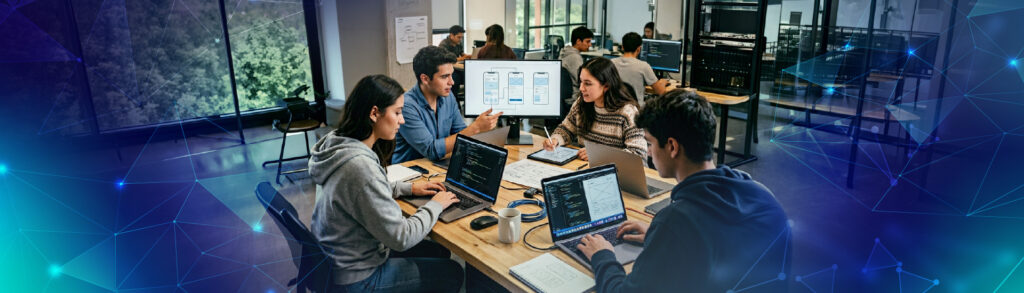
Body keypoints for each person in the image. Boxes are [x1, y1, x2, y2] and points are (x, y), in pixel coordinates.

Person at [575, 90, 791, 292]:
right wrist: (656, 235)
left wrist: (602, 256)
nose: (648, 153)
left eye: (650, 143)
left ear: (672, 147)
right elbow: (721, 244)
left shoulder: (677, 222)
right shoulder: (763, 195)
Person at [309, 75, 465, 292]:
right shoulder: (359, 167)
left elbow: (359, 191)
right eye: (398, 112)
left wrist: (408, 188)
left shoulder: (339, 144)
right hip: (359, 277)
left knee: (438, 252)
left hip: (339, 260)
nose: (402, 120)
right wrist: (436, 205)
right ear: (374, 113)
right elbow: (401, 237)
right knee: (452, 272)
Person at [393, 46, 502, 163]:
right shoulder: (406, 106)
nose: (452, 82)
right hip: (412, 172)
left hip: (437, 165)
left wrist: (480, 130)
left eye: (451, 75)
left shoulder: (447, 97)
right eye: (445, 76)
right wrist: (475, 128)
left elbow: (460, 131)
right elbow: (431, 150)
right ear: (425, 79)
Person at [543, 57, 646, 161]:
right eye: (581, 82)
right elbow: (566, 129)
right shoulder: (581, 103)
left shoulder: (627, 112)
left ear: (606, 86)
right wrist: (556, 140)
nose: (581, 88)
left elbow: (638, 154)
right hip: (585, 166)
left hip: (615, 171)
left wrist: (599, 154)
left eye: (587, 83)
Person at [612, 32, 669, 107]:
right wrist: (663, 82)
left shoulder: (611, 63)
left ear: (622, 47)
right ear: (639, 49)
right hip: (635, 112)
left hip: (614, 109)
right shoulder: (643, 66)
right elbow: (661, 92)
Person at [560, 26, 594, 90]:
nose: (590, 45)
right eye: (587, 41)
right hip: (575, 95)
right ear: (578, 41)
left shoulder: (565, 52)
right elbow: (582, 80)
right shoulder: (575, 58)